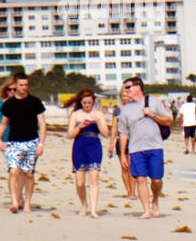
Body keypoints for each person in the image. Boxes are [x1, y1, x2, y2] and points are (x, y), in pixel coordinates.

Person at [0, 73, 46, 214]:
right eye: (21, 85)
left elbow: (42, 124)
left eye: (26, 85)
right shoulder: (9, 104)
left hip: (31, 142)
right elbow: (2, 125)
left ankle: (27, 203)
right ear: (16, 85)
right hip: (14, 143)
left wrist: (41, 144)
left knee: (28, 174)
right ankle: (15, 202)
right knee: (13, 171)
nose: (23, 88)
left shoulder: (35, 102)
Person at [116, 77, 171, 219]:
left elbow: (168, 120)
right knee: (141, 179)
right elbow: (123, 133)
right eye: (125, 88)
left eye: (128, 87)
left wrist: (152, 114)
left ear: (138, 87)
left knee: (157, 180)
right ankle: (146, 210)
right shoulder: (125, 110)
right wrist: (123, 154)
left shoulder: (154, 101)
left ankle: (155, 202)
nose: (126, 90)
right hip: (135, 149)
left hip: (155, 146)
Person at [65, 88, 111, 218]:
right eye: (85, 103)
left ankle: (94, 209)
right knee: (80, 182)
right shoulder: (76, 115)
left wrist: (98, 123)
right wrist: (79, 127)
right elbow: (69, 135)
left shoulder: (98, 114)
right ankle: (84, 204)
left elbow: (105, 133)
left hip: (94, 146)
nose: (87, 105)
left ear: (93, 102)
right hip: (79, 146)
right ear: (81, 102)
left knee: (93, 179)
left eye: (89, 103)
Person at [0, 78, 15, 145]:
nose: (12, 91)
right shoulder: (0, 104)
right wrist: (0, 141)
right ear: (5, 90)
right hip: (7, 138)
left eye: (14, 89)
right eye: (9, 89)